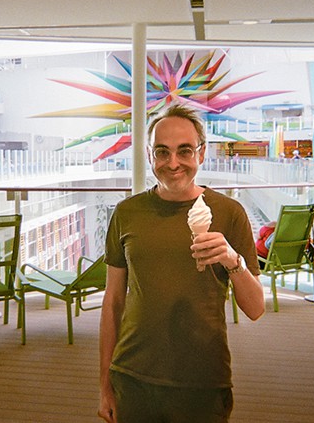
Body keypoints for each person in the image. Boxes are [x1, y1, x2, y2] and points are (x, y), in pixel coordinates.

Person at [98, 104, 265, 423]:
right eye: (162, 152)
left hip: (202, 380)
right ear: (150, 155)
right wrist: (104, 384)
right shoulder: (126, 213)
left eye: (184, 151)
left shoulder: (229, 213)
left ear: (201, 154)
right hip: (133, 376)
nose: (173, 163)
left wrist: (232, 259)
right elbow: (113, 302)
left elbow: (255, 308)